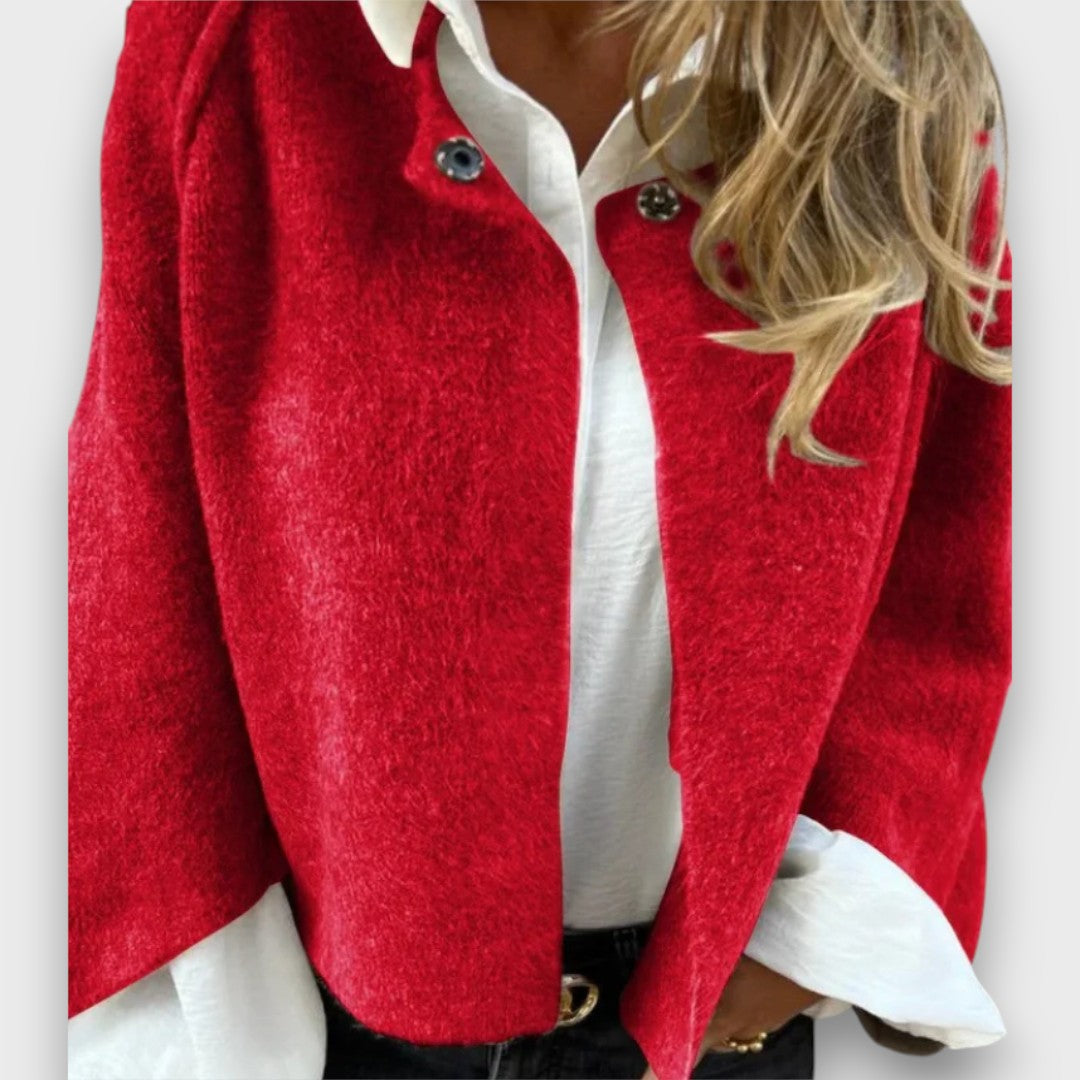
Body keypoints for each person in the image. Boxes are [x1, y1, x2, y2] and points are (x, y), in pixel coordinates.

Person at [67, 2, 1013, 1079]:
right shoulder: (235, 46)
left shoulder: (884, 72)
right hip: (315, 1020)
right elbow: (135, 560)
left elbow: (943, 561)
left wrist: (814, 940)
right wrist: (196, 1024)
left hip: (708, 1024)